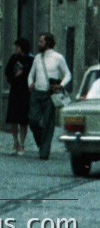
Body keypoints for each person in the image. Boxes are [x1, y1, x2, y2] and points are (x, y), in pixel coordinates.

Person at [27, 31, 71, 160]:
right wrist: (30, 83)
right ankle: (41, 143)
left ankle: (44, 151)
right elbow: (31, 74)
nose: (39, 43)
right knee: (33, 120)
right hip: (36, 93)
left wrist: (61, 85)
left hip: (49, 94)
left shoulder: (58, 58)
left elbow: (68, 74)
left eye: (41, 41)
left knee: (47, 123)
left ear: (48, 43)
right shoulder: (37, 58)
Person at [4, 37, 32, 154]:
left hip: (25, 91)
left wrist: (23, 72)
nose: (16, 48)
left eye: (17, 46)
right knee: (13, 118)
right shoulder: (13, 58)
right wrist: (13, 78)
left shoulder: (30, 59)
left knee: (23, 120)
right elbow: (7, 71)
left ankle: (22, 144)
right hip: (15, 90)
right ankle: (15, 141)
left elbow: (32, 72)